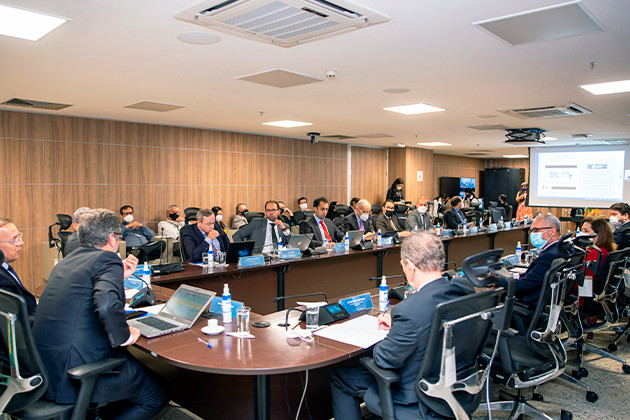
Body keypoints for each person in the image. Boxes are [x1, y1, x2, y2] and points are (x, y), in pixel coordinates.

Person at [32, 209, 170, 419]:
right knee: (158, 393)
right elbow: (106, 306)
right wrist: (124, 336)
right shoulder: (107, 260)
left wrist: (118, 278)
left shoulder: (66, 262)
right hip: (82, 365)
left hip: (48, 364)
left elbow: (85, 296)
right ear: (111, 238)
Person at [329, 232, 471, 419]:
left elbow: (384, 360)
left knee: (340, 377)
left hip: (416, 398)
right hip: (456, 387)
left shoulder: (409, 310)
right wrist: (401, 326)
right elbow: (430, 321)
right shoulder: (462, 291)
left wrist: (395, 331)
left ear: (411, 266)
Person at [498, 214, 562, 307]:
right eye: (531, 230)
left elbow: (521, 286)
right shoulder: (560, 250)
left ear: (552, 231)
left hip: (529, 305)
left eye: (536, 230)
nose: (532, 234)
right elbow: (530, 278)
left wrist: (496, 280)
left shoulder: (548, 257)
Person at [0, 218, 36, 316]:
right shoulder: (2, 279)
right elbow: (17, 322)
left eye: (19, 237)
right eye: (14, 240)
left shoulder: (5, 268)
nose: (21, 243)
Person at [580, 216, 616, 298]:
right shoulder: (605, 250)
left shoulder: (594, 253)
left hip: (584, 295)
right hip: (594, 293)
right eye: (581, 230)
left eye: (586, 231)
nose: (582, 233)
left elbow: (584, 279)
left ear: (598, 235)